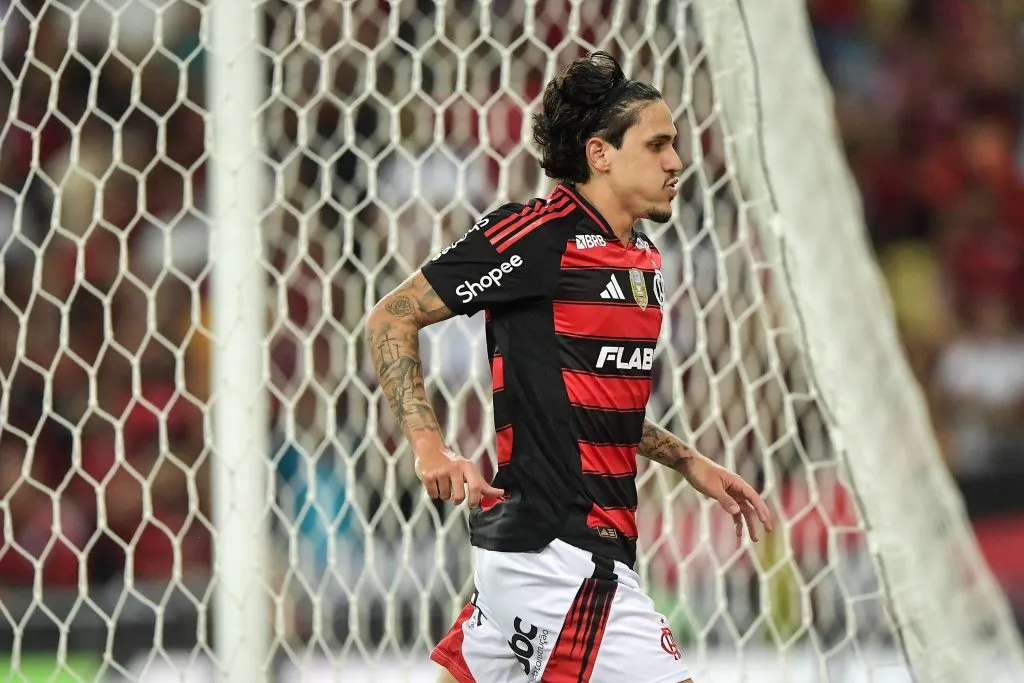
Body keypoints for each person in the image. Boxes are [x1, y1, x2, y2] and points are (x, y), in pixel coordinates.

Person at [365, 51, 772, 683]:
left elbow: (586, 396)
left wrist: (689, 461)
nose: (676, 162)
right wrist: (430, 449)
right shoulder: (535, 236)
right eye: (658, 144)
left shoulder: (644, 262)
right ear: (600, 153)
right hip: (561, 556)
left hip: (552, 554)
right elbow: (391, 317)